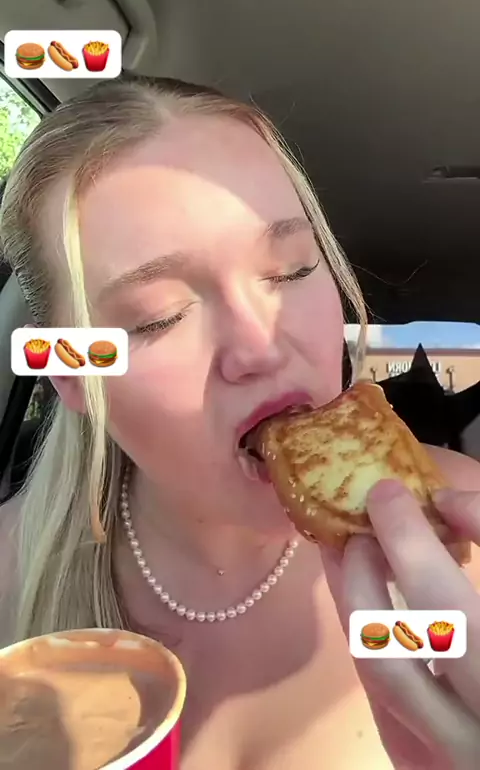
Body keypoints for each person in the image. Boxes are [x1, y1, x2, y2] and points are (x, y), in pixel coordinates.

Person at [0, 75, 479, 769]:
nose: (261, 345)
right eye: (158, 317)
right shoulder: (12, 572)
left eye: (291, 271)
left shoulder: (467, 530)